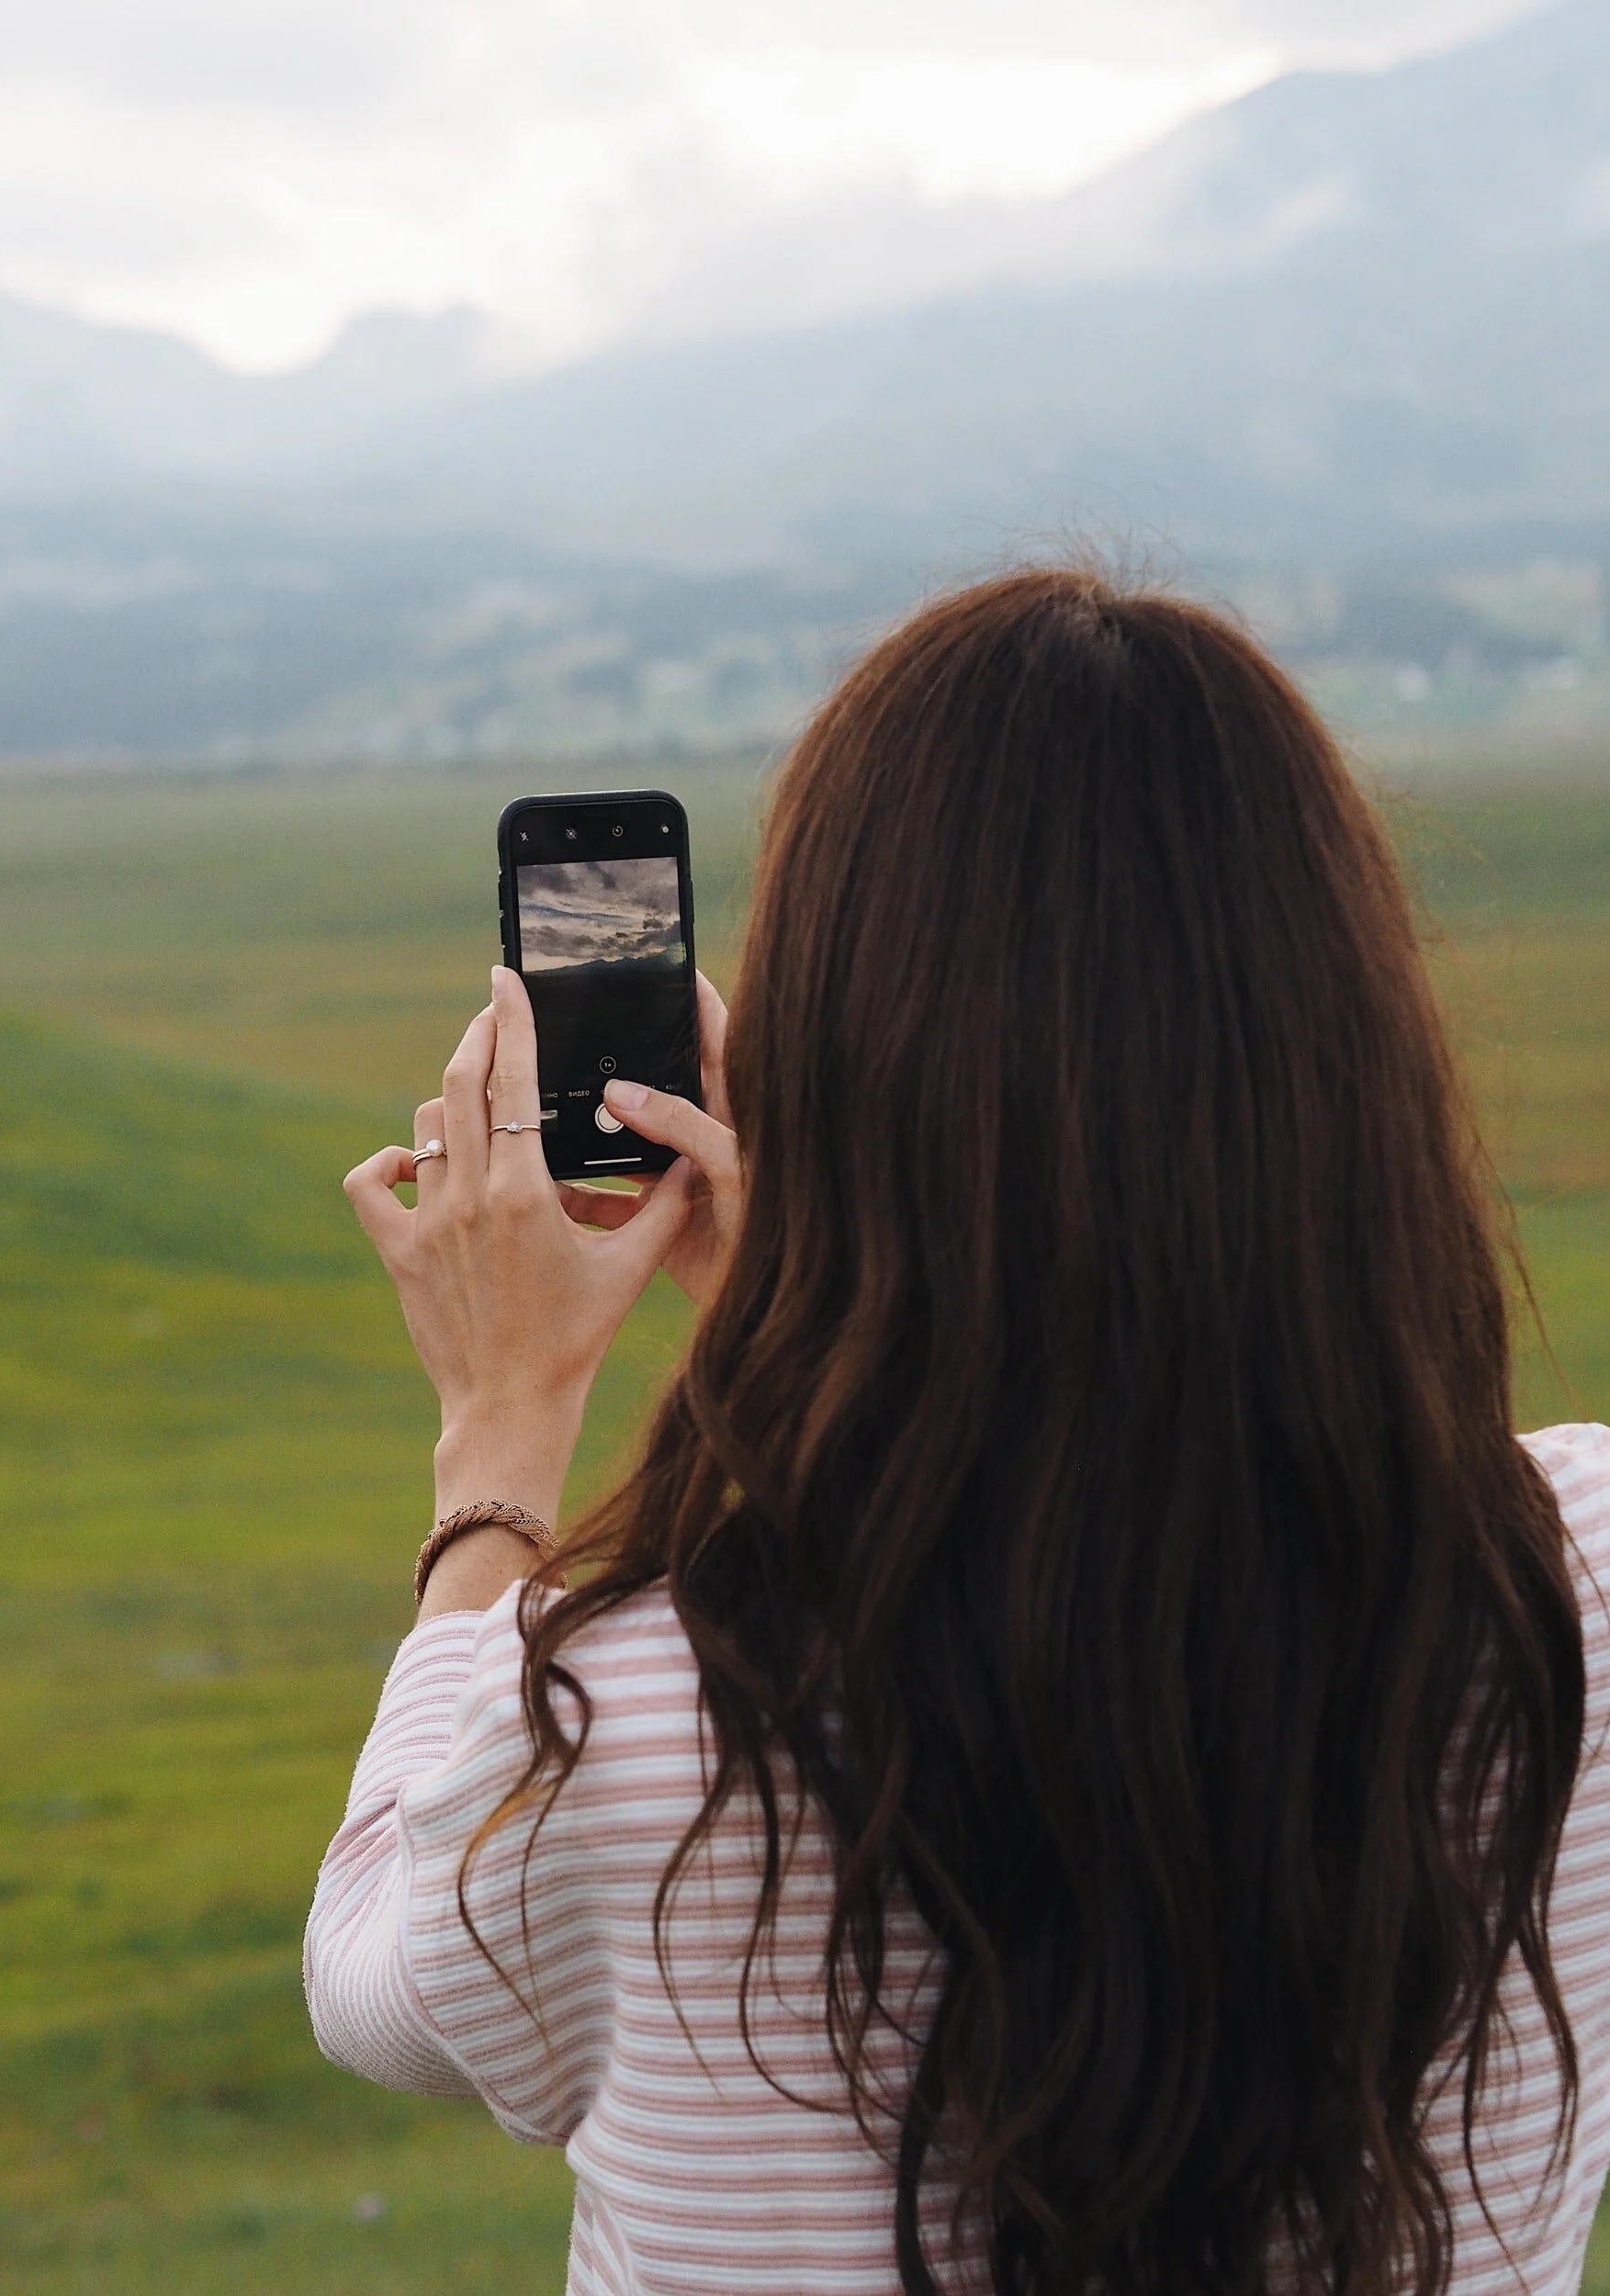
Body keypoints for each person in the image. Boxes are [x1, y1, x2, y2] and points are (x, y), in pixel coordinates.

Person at [305, 570, 1610, 2296]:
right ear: (1351, 1055)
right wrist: (817, 1331)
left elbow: (373, 1972)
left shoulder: (628, 1720)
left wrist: (501, 1430)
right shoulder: (1567, 1595)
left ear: (835, 1067)